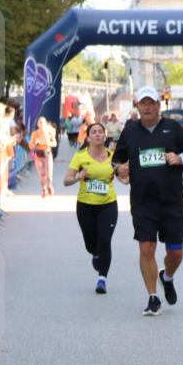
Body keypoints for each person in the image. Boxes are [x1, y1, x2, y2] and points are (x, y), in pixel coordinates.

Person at [113, 86, 183, 316]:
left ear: (159, 105)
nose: (147, 107)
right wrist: (119, 168)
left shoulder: (173, 128)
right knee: (146, 247)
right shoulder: (130, 130)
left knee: (176, 253)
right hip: (142, 201)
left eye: (151, 103)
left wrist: (178, 157)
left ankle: (167, 276)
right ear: (137, 106)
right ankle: (152, 296)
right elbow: (117, 160)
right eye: (143, 103)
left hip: (171, 201)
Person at [64, 122, 125, 294]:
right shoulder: (80, 156)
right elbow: (66, 181)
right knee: (91, 244)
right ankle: (95, 254)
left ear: (104, 136)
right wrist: (79, 176)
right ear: (88, 137)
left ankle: (102, 279)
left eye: (100, 132)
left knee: (105, 240)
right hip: (85, 206)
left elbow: (122, 179)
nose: (98, 134)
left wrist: (128, 176)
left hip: (108, 204)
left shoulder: (113, 157)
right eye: (94, 132)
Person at [30, 117, 57, 197]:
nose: (41, 124)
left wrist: (48, 142)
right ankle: (44, 189)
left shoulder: (50, 132)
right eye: (40, 122)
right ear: (38, 124)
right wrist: (35, 143)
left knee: (49, 172)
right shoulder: (35, 134)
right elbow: (30, 146)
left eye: (43, 122)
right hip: (38, 155)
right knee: (41, 173)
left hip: (47, 154)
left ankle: (49, 186)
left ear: (45, 124)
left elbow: (55, 144)